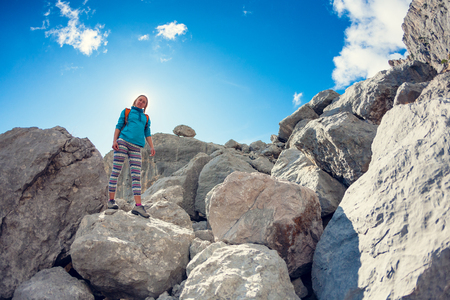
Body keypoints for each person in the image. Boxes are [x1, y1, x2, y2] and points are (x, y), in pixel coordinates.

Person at [107, 95, 156, 218]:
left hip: (136, 148)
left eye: (144, 102)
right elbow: (118, 126)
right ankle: (111, 202)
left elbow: (147, 133)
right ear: (135, 101)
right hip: (123, 142)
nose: (141, 102)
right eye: (140, 100)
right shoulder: (127, 111)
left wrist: (151, 146)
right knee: (116, 172)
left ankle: (138, 206)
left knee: (136, 176)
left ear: (145, 105)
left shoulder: (146, 117)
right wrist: (115, 140)